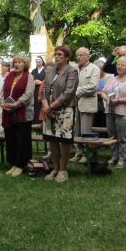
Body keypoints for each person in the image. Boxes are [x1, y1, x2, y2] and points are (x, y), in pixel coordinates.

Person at [41, 45, 78, 182]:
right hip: (49, 111)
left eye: (60, 54)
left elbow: (68, 93)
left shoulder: (72, 71)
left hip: (64, 110)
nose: (56, 56)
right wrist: (46, 106)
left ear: (67, 57)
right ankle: (55, 168)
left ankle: (63, 170)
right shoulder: (50, 71)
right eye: (55, 54)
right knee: (52, 140)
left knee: (64, 141)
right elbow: (44, 89)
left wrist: (51, 106)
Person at [99, 56, 126, 168]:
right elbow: (102, 92)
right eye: (118, 64)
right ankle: (114, 156)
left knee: (122, 137)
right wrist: (107, 99)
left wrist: (119, 100)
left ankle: (122, 159)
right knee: (112, 136)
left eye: (122, 65)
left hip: (124, 112)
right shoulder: (112, 79)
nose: (119, 67)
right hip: (110, 111)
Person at [1, 54, 35, 177]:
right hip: (8, 113)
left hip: (23, 113)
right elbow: (2, 91)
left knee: (22, 140)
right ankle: (14, 163)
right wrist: (2, 103)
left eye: (20, 62)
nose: (17, 64)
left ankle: (22, 164)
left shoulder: (29, 77)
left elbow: (28, 94)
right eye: (15, 62)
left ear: (25, 64)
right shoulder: (9, 76)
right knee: (11, 139)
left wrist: (16, 104)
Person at [71, 47, 100, 163]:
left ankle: (87, 155)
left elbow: (93, 86)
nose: (79, 57)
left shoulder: (94, 69)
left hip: (87, 104)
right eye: (77, 55)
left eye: (81, 55)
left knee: (85, 131)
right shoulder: (75, 69)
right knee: (76, 130)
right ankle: (78, 153)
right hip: (75, 103)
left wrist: (76, 91)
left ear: (88, 56)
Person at [31, 56, 46, 122]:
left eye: (39, 61)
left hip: (43, 89)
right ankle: (35, 120)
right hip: (35, 90)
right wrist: (33, 82)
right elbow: (30, 79)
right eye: (37, 62)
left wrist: (41, 82)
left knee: (42, 103)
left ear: (42, 62)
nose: (38, 63)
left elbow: (48, 79)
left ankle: (41, 120)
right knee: (35, 104)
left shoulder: (45, 70)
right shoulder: (34, 71)